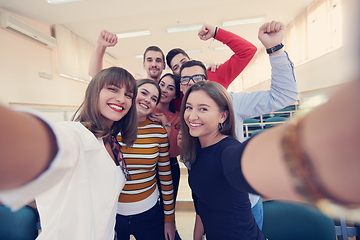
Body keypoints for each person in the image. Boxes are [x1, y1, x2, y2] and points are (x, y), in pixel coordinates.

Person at [179, 79, 360, 240]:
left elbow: (255, 164)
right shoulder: (197, 151)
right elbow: (203, 204)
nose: (192, 116)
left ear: (223, 115)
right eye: (189, 107)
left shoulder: (228, 151)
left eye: (203, 108)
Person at [178, 21, 298, 231]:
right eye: (184, 79)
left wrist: (275, 48)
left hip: (242, 207)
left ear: (208, 79)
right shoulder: (187, 115)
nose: (190, 82)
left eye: (197, 77)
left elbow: (285, 95)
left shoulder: (231, 102)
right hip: (210, 209)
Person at [0, 67, 139, 240]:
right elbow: (30, 144)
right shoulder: (76, 135)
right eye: (113, 89)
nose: (121, 98)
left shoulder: (111, 142)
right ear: (94, 92)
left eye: (129, 94)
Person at [114, 79, 176, 240]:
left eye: (154, 98)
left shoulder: (158, 132)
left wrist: (169, 219)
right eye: (144, 93)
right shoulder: (112, 128)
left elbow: (165, 178)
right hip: (113, 215)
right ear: (132, 93)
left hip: (149, 213)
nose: (148, 100)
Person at [166, 23, 257, 111]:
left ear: (191, 59)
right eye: (176, 67)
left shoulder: (216, 73)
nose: (182, 67)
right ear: (174, 74)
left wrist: (216, 32)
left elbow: (248, 51)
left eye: (184, 61)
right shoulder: (176, 95)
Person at [89, 30, 166, 82]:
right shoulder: (133, 85)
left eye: (158, 61)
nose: (154, 64)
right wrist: (100, 46)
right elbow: (96, 77)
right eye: (149, 60)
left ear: (164, 65)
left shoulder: (169, 91)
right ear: (144, 64)